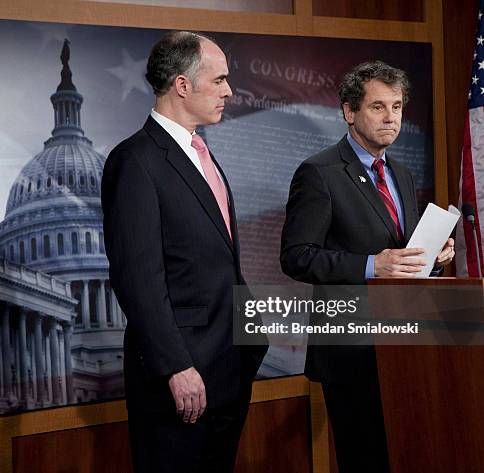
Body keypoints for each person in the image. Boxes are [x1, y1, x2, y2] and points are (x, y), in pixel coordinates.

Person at [102, 31, 267, 473]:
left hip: (229, 368)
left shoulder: (205, 155)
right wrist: (175, 366)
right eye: (219, 80)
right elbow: (137, 277)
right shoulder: (135, 160)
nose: (230, 91)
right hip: (181, 377)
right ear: (182, 85)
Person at [280, 60, 454, 473]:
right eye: (378, 107)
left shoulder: (403, 174)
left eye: (396, 107)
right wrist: (371, 266)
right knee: (366, 460)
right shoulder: (319, 173)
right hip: (353, 351)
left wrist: (431, 260)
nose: (390, 117)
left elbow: (401, 258)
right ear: (349, 111)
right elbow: (296, 256)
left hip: (407, 349)